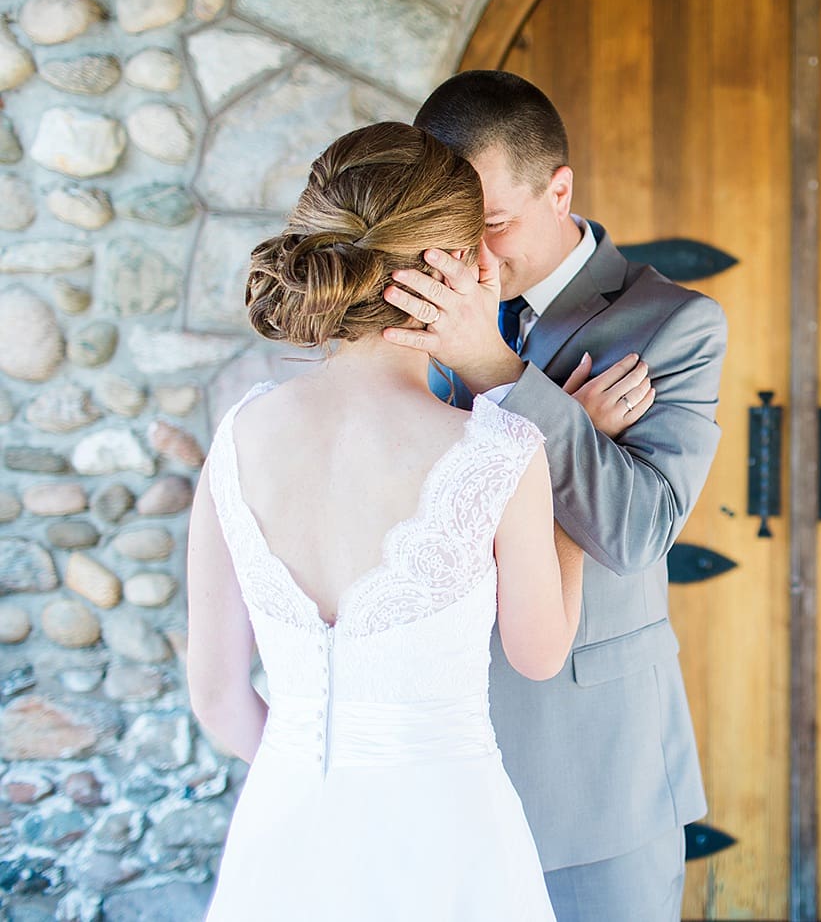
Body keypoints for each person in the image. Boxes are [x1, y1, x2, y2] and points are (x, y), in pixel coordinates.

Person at [186, 122, 585, 921]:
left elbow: (221, 699)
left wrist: (324, 781)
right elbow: (538, 655)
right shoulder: (502, 450)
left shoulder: (237, 436)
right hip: (449, 845)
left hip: (285, 838)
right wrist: (569, 507)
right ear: (472, 264)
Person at [380, 70, 728, 920]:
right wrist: (559, 425)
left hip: (592, 766)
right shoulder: (404, 312)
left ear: (558, 188)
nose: (473, 256)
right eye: (454, 227)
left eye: (493, 223)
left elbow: (637, 531)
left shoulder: (670, 325)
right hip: (428, 755)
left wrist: (498, 372)